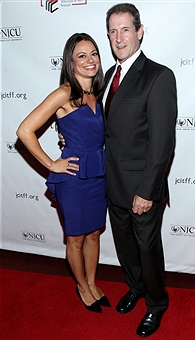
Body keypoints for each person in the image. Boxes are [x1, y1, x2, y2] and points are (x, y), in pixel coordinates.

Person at [16, 32, 110, 313]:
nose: (89, 60)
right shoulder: (64, 93)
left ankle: (92, 282)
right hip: (73, 178)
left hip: (98, 175)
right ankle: (82, 287)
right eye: (82, 55)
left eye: (93, 53)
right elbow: (24, 130)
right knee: (76, 238)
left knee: (94, 234)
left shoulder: (97, 93)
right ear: (70, 62)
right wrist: (51, 163)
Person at [103, 3, 177, 337]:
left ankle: (157, 303)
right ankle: (136, 287)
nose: (119, 37)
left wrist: (147, 191)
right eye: (113, 31)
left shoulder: (159, 76)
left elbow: (162, 143)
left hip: (141, 189)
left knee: (147, 249)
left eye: (125, 29)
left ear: (140, 31)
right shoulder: (108, 77)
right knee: (125, 246)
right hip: (113, 184)